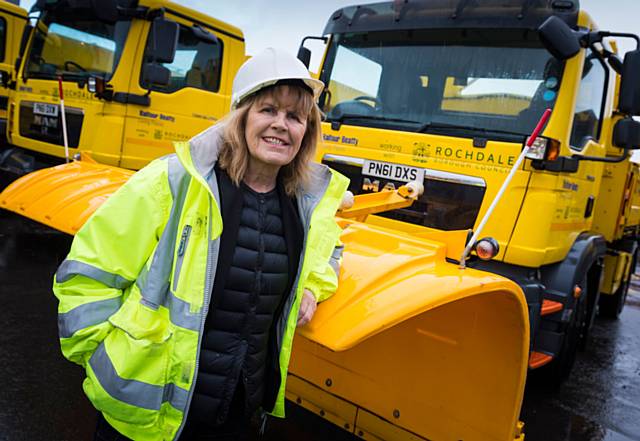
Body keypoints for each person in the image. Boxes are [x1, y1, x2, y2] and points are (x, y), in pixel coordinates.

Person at [53, 48, 349, 441]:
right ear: (241, 115)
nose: (281, 125)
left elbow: (330, 250)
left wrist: (312, 287)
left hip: (240, 415)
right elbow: (86, 276)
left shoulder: (306, 204)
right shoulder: (174, 182)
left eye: (295, 116)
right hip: (149, 416)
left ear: (306, 131)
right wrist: (97, 359)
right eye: (268, 110)